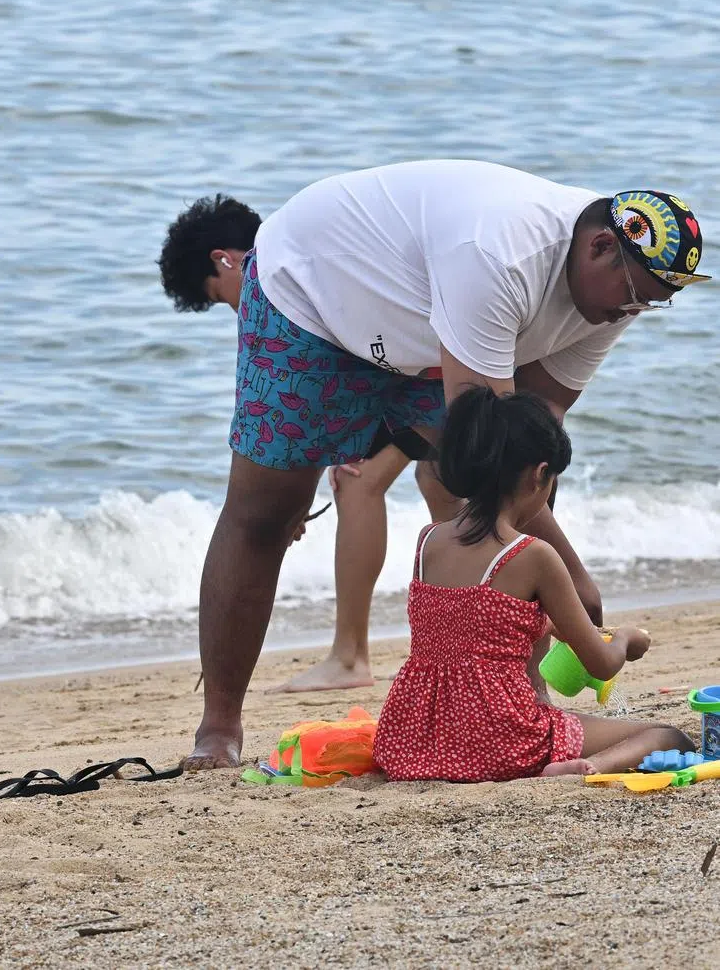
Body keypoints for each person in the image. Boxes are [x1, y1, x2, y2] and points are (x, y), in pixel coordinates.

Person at [164, 162, 709, 768]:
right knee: (266, 511)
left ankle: (523, 702)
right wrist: (573, 581)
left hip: (423, 335)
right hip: (311, 302)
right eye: (636, 296)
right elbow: (496, 450)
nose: (633, 312)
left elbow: (533, 445)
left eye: (653, 305)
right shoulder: (499, 252)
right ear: (600, 245)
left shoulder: (614, 298)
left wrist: (556, 581)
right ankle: (218, 730)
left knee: (491, 502)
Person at [158, 194, 458, 692]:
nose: (236, 308)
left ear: (224, 259)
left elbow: (326, 374)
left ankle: (351, 656)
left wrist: (319, 472)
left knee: (357, 481)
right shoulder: (306, 252)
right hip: (429, 354)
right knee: (435, 481)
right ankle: (470, 639)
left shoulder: (276, 277)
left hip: (425, 366)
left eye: (220, 297)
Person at [373, 387, 693, 780]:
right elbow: (601, 664)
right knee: (670, 737)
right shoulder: (533, 554)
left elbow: (471, 627)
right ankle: (587, 767)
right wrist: (627, 639)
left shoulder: (428, 540)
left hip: (412, 738)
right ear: (541, 475)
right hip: (498, 738)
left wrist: (548, 625)